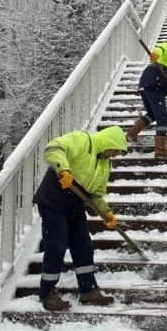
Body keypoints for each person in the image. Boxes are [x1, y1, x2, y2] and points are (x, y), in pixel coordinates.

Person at [32, 125, 127, 311]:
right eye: (116, 150)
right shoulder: (83, 140)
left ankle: (88, 290)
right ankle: (47, 293)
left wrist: (105, 212)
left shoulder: (105, 164)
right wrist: (63, 170)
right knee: (57, 245)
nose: (115, 155)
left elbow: (96, 195)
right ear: (109, 142)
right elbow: (54, 148)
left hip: (74, 205)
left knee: (83, 245)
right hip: (53, 199)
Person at [126, 42, 167, 158]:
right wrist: (156, 53)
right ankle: (160, 149)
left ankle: (132, 134)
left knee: (152, 114)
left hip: (149, 82)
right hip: (155, 80)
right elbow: (164, 47)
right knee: (163, 118)